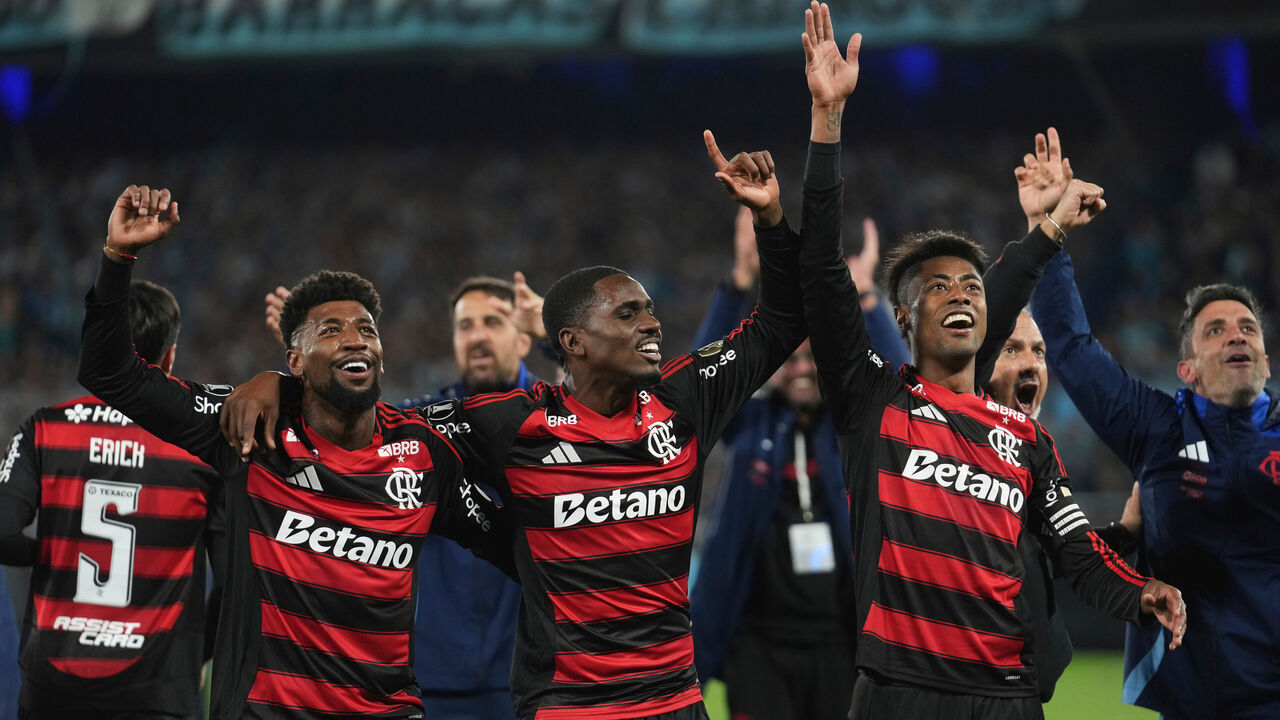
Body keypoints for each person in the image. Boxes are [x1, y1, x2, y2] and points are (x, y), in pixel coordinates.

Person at [794, 4, 1186, 718]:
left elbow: (1075, 550)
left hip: (1004, 699)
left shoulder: (1028, 443)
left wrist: (1138, 594)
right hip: (897, 694)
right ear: (905, 319)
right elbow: (820, 272)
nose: (961, 295)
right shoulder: (875, 401)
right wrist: (827, 124)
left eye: (971, 286)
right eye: (937, 287)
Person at [77, 185, 514, 720]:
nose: (356, 340)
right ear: (297, 362)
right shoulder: (247, 428)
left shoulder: (423, 453)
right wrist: (117, 259)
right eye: (332, 330)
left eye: (367, 330)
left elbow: (512, 547)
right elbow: (111, 373)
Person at [1029, 181, 1280, 716]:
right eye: (1215, 330)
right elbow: (1072, 348)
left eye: (1248, 328)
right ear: (1186, 371)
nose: (1237, 336)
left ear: (1265, 356)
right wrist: (1045, 231)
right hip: (1187, 700)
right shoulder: (1159, 428)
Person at [265, 274, 543, 719]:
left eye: (493, 322)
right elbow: (341, 409)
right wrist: (284, 380)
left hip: (532, 676)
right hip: (436, 679)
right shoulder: (419, 429)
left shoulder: (553, 420)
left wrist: (554, 338)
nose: (477, 336)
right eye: (465, 326)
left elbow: (604, 399)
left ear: (525, 338)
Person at [689, 210, 907, 720]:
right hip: (757, 644)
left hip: (842, 643)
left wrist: (867, 299)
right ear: (776, 365)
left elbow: (907, 395)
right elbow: (700, 386)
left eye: (813, 358)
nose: (804, 368)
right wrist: (738, 284)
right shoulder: (751, 423)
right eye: (792, 359)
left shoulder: (852, 425)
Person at [0, 278, 224, 720]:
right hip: (157, 686)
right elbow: (235, 576)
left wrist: (50, 554)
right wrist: (199, 656)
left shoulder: (44, 429)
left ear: (97, 347)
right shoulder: (199, 447)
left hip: (53, 681)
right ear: (170, 358)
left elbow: (2, 532)